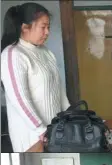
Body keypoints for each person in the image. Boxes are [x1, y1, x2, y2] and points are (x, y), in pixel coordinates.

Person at [1, 2, 70, 152]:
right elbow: (20, 99)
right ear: (25, 27)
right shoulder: (13, 54)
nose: (47, 32)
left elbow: (58, 89)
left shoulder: (46, 52)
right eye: (43, 27)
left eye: (48, 27)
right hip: (33, 138)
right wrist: (41, 129)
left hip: (54, 133)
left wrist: (68, 116)